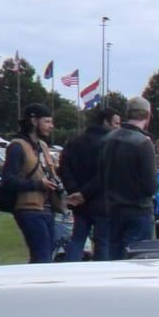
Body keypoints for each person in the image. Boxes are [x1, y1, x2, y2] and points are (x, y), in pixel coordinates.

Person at [0, 102, 61, 264]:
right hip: (28, 208)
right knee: (42, 258)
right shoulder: (17, 147)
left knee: (45, 256)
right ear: (34, 121)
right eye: (47, 121)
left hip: (47, 207)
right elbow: (8, 180)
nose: (51, 126)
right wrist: (37, 184)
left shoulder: (42, 146)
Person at [98, 96, 158, 259]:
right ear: (147, 115)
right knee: (136, 260)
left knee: (114, 257)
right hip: (138, 209)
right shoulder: (143, 143)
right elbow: (151, 186)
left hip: (112, 207)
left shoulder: (107, 139)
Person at [59, 104, 120, 261]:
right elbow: (106, 175)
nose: (118, 127)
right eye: (116, 123)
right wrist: (84, 192)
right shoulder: (110, 145)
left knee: (77, 239)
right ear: (106, 122)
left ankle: (69, 272)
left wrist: (74, 191)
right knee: (103, 242)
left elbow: (64, 168)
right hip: (102, 201)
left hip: (79, 203)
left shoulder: (74, 143)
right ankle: (101, 277)